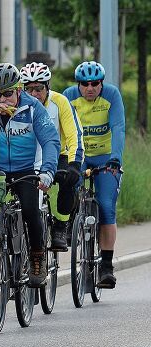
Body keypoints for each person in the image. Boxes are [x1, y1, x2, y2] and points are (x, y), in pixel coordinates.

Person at [0, 63, 60, 287]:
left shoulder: (33, 108)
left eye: (8, 93)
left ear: (19, 91)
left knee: (31, 209)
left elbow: (50, 140)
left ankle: (37, 257)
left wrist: (47, 171)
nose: (2, 99)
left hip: (25, 169)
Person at [63, 61, 125, 289]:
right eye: (85, 84)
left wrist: (115, 158)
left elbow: (118, 127)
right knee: (69, 184)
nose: (90, 88)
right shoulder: (68, 96)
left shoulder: (111, 95)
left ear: (102, 83)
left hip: (105, 156)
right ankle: (72, 221)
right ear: (78, 84)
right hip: (79, 154)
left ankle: (106, 267)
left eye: (95, 84)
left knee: (106, 206)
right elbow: (60, 128)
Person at [20, 62, 84, 251]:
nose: (34, 94)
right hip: (29, 156)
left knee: (69, 181)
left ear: (48, 86)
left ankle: (61, 225)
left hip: (58, 154)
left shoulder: (60, 102)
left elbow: (74, 134)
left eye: (39, 89)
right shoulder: (18, 103)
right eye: (29, 89)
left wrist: (74, 163)